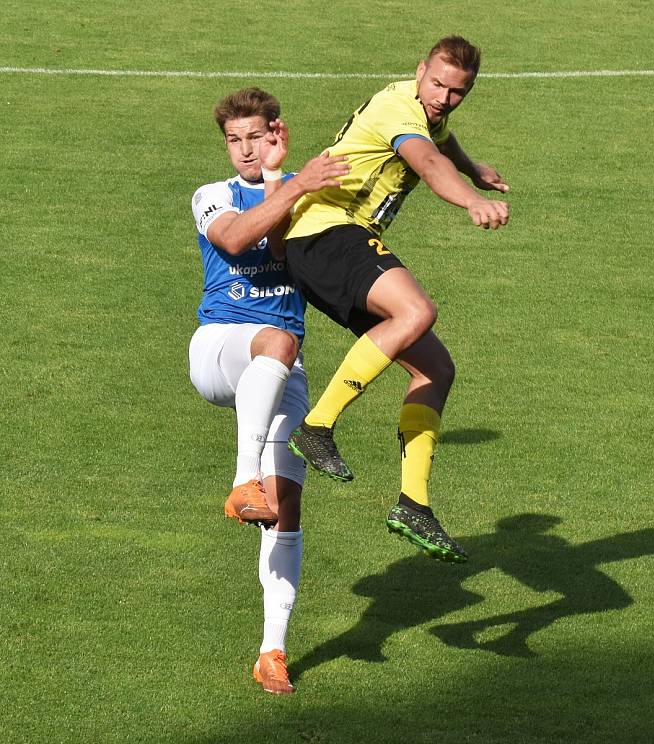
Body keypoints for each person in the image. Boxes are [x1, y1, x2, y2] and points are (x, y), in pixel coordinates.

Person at [283, 36, 509, 563]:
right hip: (324, 231)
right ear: (419, 71)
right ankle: (316, 426)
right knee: (417, 310)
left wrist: (475, 168)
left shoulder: (427, 111)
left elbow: (443, 141)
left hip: (333, 242)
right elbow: (429, 162)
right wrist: (470, 199)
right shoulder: (398, 108)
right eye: (437, 85)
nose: (444, 99)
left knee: (435, 369)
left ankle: (414, 502)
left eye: (458, 92)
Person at [188, 88, 349, 694]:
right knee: (278, 341)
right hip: (220, 348)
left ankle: (272, 652)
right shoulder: (211, 196)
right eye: (235, 139)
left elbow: (286, 247)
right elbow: (235, 240)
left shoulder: (297, 191)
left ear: (275, 133)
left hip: (282, 368)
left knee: (284, 506)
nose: (245, 150)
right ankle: (239, 479)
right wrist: (296, 183)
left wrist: (288, 179)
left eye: (255, 136)